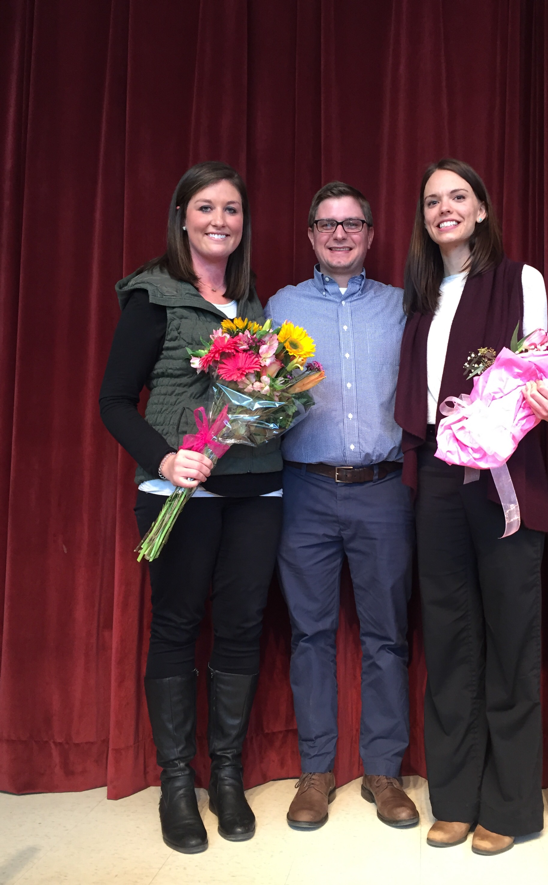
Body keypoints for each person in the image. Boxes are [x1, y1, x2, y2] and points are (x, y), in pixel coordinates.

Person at [100, 161, 283, 853]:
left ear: (243, 223)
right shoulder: (154, 295)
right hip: (179, 491)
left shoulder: (253, 303)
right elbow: (114, 401)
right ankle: (176, 781)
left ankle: (227, 775)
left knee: (241, 626)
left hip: (258, 490)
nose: (219, 221)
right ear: (182, 217)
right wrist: (165, 459)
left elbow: (262, 395)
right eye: (206, 207)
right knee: (176, 626)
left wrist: (275, 400)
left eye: (231, 209)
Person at [395, 159, 548, 856]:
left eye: (458, 196)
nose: (445, 208)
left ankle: (509, 804)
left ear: (481, 210)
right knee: (448, 637)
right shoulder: (419, 295)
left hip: (505, 475)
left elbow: (544, 376)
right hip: (437, 477)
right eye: (432, 200)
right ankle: (455, 798)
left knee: (510, 637)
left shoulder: (519, 279)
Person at [265, 182, 418, 831]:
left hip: (383, 489)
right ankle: (316, 771)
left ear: (370, 234)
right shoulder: (281, 306)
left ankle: (383, 770)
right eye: (327, 224)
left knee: (387, 634)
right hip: (305, 488)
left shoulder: (401, 305)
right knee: (310, 633)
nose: (339, 234)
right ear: (310, 234)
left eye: (352, 223)